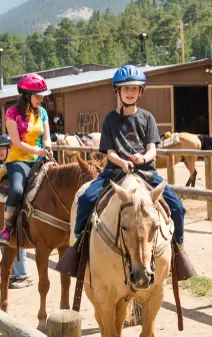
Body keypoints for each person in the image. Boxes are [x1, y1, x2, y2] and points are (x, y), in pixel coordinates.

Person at [73, 65, 195, 280]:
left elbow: (152, 148)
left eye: (134, 88)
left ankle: (179, 252)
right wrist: (121, 161)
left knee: (177, 207)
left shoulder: (147, 118)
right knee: (85, 199)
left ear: (140, 92)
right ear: (118, 92)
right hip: (115, 172)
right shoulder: (111, 119)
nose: (130, 92)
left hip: (145, 172)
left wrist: (143, 158)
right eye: (125, 88)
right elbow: (109, 151)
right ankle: (78, 248)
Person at [0, 73, 53, 246]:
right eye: (37, 96)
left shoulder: (42, 112)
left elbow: (47, 137)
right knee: (18, 190)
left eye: (42, 96)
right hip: (18, 159)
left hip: (40, 157)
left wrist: (48, 147)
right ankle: (7, 227)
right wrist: (38, 150)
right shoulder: (12, 113)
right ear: (27, 96)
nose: (41, 100)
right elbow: (17, 143)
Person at [0, 134, 33, 289]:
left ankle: (23, 274)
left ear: (11, 148)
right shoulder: (11, 162)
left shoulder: (16, 163)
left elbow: (17, 189)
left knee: (16, 232)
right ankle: (14, 274)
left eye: (2, 148)